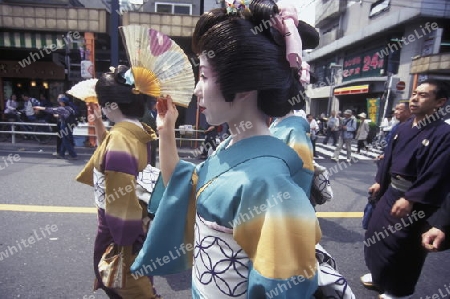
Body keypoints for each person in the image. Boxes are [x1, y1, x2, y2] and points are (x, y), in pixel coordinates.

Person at [131, 2, 321, 298]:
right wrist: (166, 129)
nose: (196, 90)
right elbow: (184, 187)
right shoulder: (229, 146)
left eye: (204, 77)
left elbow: (281, 285)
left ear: (243, 86)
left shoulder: (268, 182)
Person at [75, 66, 159, 298]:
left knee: (124, 285)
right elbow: (111, 155)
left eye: (103, 102)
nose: (101, 107)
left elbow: (121, 202)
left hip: (119, 233)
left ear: (112, 105)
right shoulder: (137, 132)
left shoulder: (121, 140)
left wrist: (126, 244)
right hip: (139, 222)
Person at [361, 79, 450, 299]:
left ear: (440, 102)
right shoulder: (403, 127)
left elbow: (438, 172)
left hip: (417, 201)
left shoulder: (444, 134)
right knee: (375, 235)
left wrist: (411, 197)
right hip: (391, 192)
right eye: (414, 93)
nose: (415, 98)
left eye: (423, 95)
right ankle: (379, 276)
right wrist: (381, 181)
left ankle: (398, 290)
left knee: (403, 247)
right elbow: (389, 159)